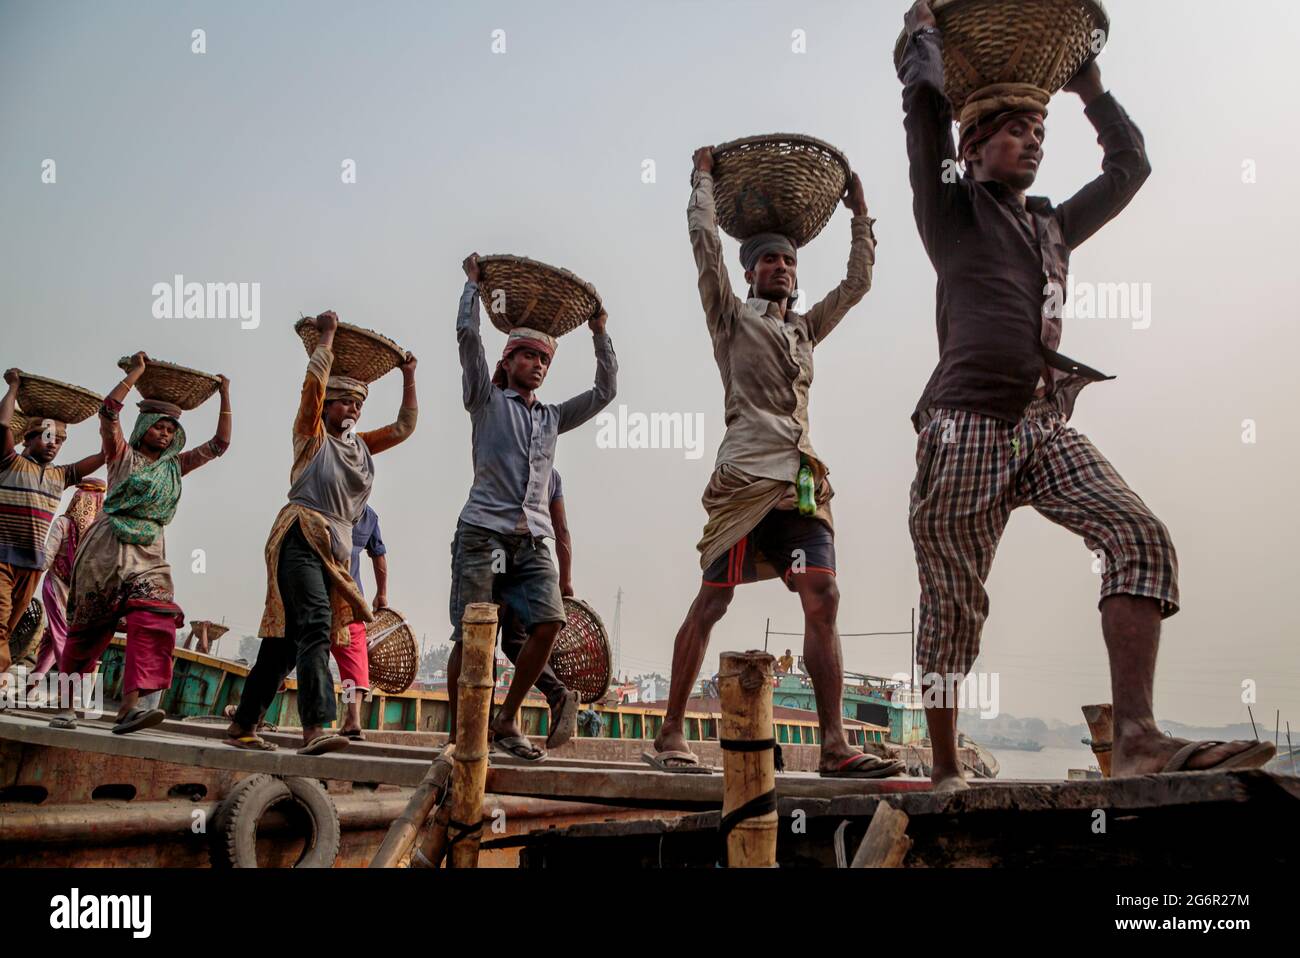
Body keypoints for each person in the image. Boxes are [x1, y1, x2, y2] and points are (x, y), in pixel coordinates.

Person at [897, 0, 1274, 788]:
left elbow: (1129, 167)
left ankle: (1136, 737)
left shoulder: (1053, 227)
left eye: (1040, 132)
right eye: (1014, 130)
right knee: (951, 606)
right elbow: (927, 112)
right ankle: (942, 769)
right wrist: (925, 39)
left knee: (1140, 535)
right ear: (971, 149)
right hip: (964, 427)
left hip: (1041, 423)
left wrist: (1092, 91)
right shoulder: (951, 211)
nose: (1033, 139)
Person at [647, 147, 901, 780]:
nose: (782, 268)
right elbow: (704, 246)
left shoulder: (806, 332)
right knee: (712, 602)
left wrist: (861, 216)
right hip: (744, 481)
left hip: (800, 485)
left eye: (789, 260)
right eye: (770, 260)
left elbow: (859, 286)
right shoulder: (730, 318)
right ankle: (672, 732)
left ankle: (835, 745)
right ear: (751, 272)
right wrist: (701, 182)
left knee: (825, 595)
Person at [447, 252, 616, 762]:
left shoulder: (552, 418)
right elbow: (469, 341)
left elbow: (607, 391)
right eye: (528, 357)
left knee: (548, 623)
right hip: (482, 533)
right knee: (474, 635)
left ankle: (504, 718)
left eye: (544, 361)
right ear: (508, 361)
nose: (537, 366)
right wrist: (472, 290)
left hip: (530, 542)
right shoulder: (485, 399)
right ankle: (461, 733)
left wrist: (599, 332)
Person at [226, 312, 417, 755]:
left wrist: (409, 376)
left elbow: (405, 427)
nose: (351, 409)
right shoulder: (311, 437)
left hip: (333, 550)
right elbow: (310, 389)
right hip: (300, 535)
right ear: (327, 406)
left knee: (284, 644)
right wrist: (327, 339)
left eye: (358, 404)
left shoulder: (363, 446)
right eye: (344, 402)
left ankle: (243, 724)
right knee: (315, 624)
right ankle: (316, 726)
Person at [50, 354, 231, 733]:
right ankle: (66, 708)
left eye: (170, 430)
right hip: (106, 548)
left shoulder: (173, 466)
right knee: (88, 629)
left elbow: (218, 445)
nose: (164, 434)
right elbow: (109, 411)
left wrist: (224, 394)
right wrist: (137, 374)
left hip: (150, 550)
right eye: (158, 427)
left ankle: (128, 708)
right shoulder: (120, 454)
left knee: (154, 616)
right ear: (144, 427)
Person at [0, 371, 107, 690]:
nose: (53, 445)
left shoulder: (61, 476)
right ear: (29, 438)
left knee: (9, 623)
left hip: (31, 566)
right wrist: (14, 388)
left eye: (59, 440)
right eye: (47, 437)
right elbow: (3, 426)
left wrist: (107, 418)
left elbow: (105, 455)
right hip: (2, 559)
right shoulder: (10, 463)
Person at [496, 467, 580, 750]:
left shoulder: (508, 460)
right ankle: (555, 694)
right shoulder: (553, 475)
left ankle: (478, 727)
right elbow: (562, 530)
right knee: (513, 640)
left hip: (501, 556)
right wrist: (565, 580)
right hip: (533, 564)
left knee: (479, 638)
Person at [25, 479, 107, 696]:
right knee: (61, 635)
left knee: (54, 639)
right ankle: (69, 687)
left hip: (57, 587)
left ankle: (37, 686)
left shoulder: (63, 523)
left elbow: (46, 557)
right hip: (73, 592)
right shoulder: (97, 532)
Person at [335, 502, 388, 740]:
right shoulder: (368, 515)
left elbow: (378, 556)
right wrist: (382, 593)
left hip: (320, 592)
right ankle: (353, 718)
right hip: (351, 599)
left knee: (289, 651)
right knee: (353, 664)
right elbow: (379, 556)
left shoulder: (328, 503)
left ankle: (255, 714)